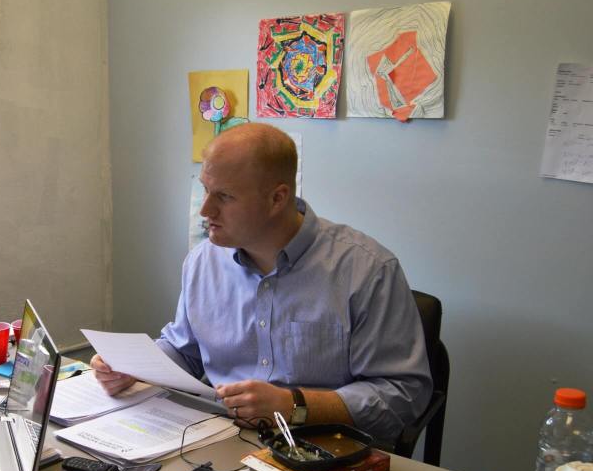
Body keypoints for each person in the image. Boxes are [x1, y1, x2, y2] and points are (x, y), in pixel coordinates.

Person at [93, 123, 432, 444]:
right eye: (205, 190)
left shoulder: (366, 270)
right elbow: (185, 350)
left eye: (224, 196)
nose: (205, 210)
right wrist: (131, 367)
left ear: (277, 199)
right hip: (220, 439)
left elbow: (403, 394)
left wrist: (294, 405)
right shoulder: (203, 261)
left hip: (323, 448)